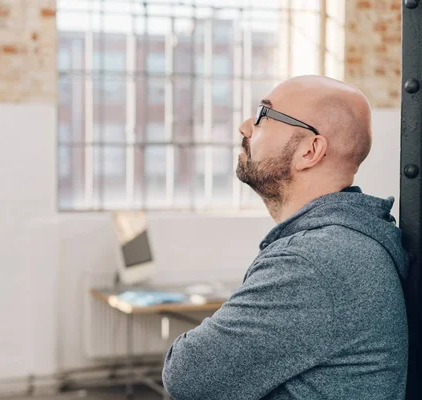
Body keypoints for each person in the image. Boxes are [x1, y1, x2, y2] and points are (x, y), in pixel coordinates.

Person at [162, 75, 409, 400]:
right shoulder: (345, 242)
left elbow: (187, 375)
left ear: (310, 150)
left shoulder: (314, 259)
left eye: (264, 115)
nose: (245, 126)